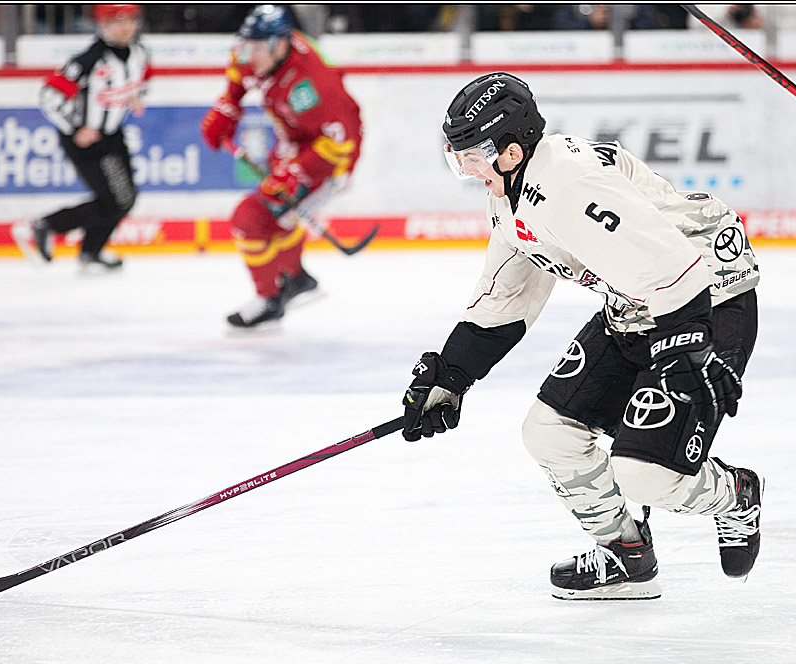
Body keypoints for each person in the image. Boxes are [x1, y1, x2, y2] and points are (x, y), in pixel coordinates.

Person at [400, 73, 763, 600]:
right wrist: (451, 376)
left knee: (646, 474)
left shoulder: (568, 183)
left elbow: (670, 261)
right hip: (638, 306)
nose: (468, 170)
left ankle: (735, 494)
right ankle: (625, 554)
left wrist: (688, 345)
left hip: (706, 302)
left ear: (511, 151)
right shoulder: (511, 194)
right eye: (459, 158)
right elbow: (506, 298)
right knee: (549, 433)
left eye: (474, 156)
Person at [200, 4, 363, 329]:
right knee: (280, 216)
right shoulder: (256, 51)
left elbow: (341, 141)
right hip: (293, 140)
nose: (251, 54)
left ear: (280, 44)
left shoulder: (312, 84)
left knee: (250, 218)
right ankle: (295, 278)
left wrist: (298, 171)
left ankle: (268, 300)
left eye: (259, 47)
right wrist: (228, 107)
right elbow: (239, 75)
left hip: (329, 157)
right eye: (249, 45)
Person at [13, 3, 150, 273]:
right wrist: (76, 128)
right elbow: (49, 97)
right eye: (118, 21)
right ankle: (52, 226)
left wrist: (135, 97)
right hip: (86, 142)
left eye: (130, 19)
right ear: (103, 26)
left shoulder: (139, 53)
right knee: (118, 200)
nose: (126, 27)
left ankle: (87, 250)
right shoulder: (88, 60)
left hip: (113, 135)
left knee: (123, 200)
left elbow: (141, 80)